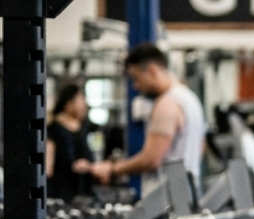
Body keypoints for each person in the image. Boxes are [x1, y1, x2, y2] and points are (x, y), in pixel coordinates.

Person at [84, 43, 207, 191]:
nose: (135, 86)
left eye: (136, 78)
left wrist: (112, 168)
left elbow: (151, 160)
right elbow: (201, 147)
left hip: (168, 201)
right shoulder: (189, 98)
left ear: (152, 71)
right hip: (186, 193)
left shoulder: (166, 105)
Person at [46, 81, 96, 201]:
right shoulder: (54, 128)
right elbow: (48, 163)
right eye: (80, 100)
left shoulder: (84, 126)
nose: (84, 105)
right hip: (61, 191)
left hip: (82, 189)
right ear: (68, 104)